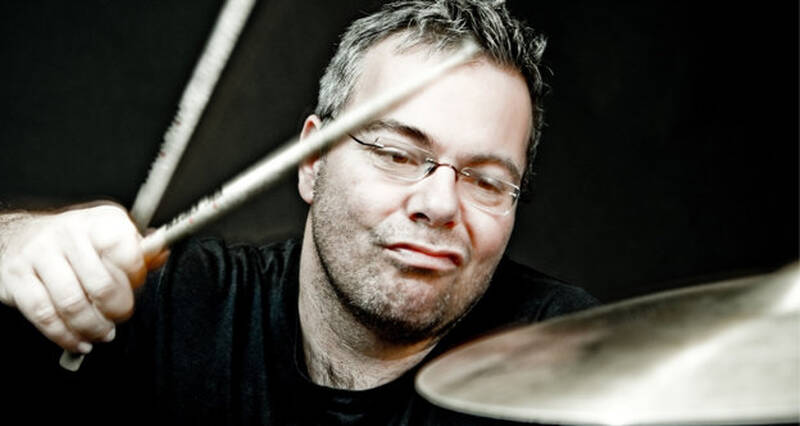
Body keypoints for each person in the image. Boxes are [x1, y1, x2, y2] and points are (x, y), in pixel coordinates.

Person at [0, 0, 597, 424]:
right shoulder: (174, 302)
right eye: (396, 154)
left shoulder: (565, 353)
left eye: (487, 181)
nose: (440, 204)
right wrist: (17, 245)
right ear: (313, 161)